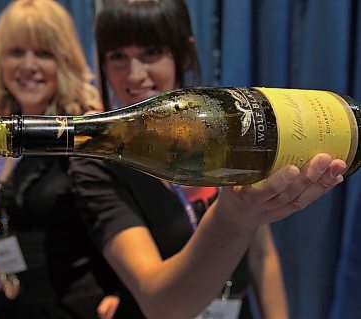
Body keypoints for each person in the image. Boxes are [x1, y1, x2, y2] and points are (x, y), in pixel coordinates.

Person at [68, 0, 347, 318]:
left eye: (151, 53)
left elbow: (261, 255)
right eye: (118, 57)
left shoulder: (224, 128)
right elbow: (158, 302)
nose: (134, 75)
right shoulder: (98, 157)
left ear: (183, 53)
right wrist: (232, 216)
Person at [0, 1, 120, 318]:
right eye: (16, 52)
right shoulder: (1, 130)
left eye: (43, 53)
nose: (29, 65)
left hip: (74, 307)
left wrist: (122, 290)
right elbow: (6, 215)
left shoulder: (83, 131)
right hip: (14, 302)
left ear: (65, 61)